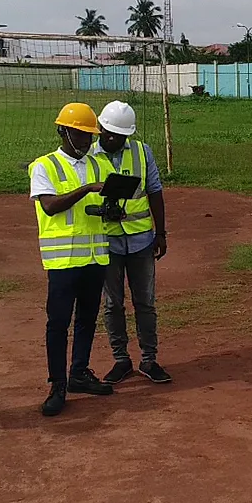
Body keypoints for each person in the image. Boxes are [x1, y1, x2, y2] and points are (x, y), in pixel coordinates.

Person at [28, 102, 115, 416]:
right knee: (58, 323)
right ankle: (57, 384)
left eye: (89, 135)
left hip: (95, 256)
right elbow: (50, 206)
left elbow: (102, 205)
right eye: (78, 134)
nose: (85, 141)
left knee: (88, 319)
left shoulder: (98, 165)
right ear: (62, 131)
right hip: (63, 261)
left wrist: (110, 210)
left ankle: (79, 372)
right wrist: (87, 188)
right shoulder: (44, 166)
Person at [92, 101, 171, 385]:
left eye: (120, 136)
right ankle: (120, 360)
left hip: (141, 241)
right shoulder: (88, 157)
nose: (114, 140)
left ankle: (149, 359)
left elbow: (155, 192)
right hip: (106, 243)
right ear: (100, 129)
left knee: (145, 303)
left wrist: (161, 233)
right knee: (112, 304)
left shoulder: (141, 151)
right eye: (110, 134)